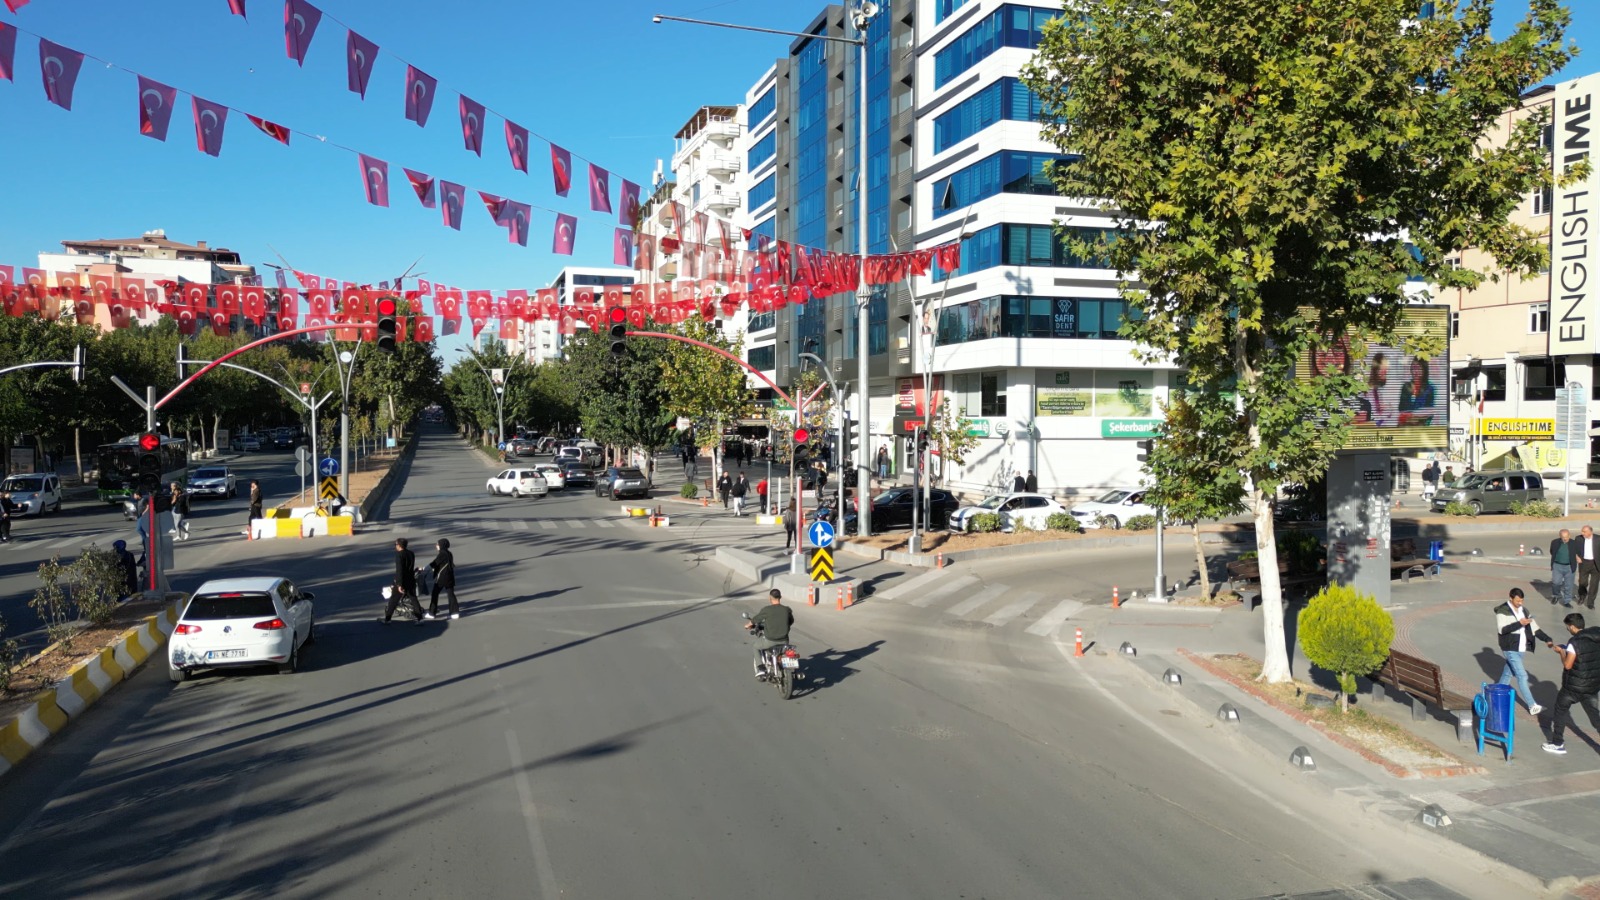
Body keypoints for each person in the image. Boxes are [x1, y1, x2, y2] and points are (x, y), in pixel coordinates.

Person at [1543, 612, 1600, 755]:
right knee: (1595, 718)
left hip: (1573, 687)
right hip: (1592, 685)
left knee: (1560, 710)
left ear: (1573, 627)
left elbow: (1568, 665)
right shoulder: (1596, 637)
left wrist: (1562, 652)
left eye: (1568, 627)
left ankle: (1557, 743)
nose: (1568, 630)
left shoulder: (1574, 643)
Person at [1495, 588, 1544, 717]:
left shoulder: (1523, 610)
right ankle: (1532, 705)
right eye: (1518, 600)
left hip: (1521, 648)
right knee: (1522, 676)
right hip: (1510, 648)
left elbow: (1534, 627)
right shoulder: (1502, 611)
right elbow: (1502, 629)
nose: (1520, 603)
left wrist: (1547, 639)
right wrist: (1519, 623)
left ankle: (1496, 697)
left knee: (1507, 674)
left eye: (1522, 600)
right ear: (1511, 598)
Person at [745, 588, 794, 678]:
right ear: (780, 597)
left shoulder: (767, 610)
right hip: (784, 641)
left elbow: (756, 619)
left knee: (755, 646)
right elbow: (791, 621)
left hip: (770, 640)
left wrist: (748, 625)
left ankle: (761, 668)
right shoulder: (787, 610)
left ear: (770, 598)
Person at [382, 537, 425, 625]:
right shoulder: (411, 553)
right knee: (413, 599)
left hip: (402, 581)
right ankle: (420, 618)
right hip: (410, 579)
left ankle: (388, 619)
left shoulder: (399, 555)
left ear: (399, 546)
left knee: (393, 600)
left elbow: (400, 570)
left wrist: (399, 584)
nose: (395, 546)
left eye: (396, 544)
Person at [1397, 356, 1437, 425]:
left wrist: (1414, 416)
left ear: (1424, 370)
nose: (1415, 371)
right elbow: (1401, 409)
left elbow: (1430, 411)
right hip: (1405, 426)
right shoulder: (1406, 387)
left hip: (1421, 427)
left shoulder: (1429, 388)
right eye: (1413, 368)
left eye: (1418, 368)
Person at [426, 538, 459, 620]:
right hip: (450, 576)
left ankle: (432, 613)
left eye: (437, 544)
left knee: (435, 594)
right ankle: (454, 613)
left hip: (442, 577)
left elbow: (435, 563)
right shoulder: (449, 553)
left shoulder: (442, 554)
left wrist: (424, 569)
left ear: (441, 545)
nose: (436, 546)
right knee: (451, 594)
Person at [1551, 529, 1579, 608]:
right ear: (1560, 536)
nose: (1565, 539)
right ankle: (1555, 596)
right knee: (1556, 582)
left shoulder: (1574, 543)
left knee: (1569, 585)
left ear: (1569, 536)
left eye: (1566, 537)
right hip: (1557, 566)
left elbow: (1578, 552)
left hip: (1569, 566)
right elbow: (1552, 551)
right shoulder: (1554, 542)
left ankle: (1567, 601)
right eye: (1563, 537)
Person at [1579, 525, 1600, 610]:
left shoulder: (1598, 539)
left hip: (1596, 564)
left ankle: (1590, 602)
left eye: (1584, 531)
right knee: (1583, 582)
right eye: (1582, 531)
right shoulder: (1579, 539)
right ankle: (1582, 596)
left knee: (1594, 584)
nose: (1582, 533)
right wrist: (1577, 556)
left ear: (1590, 532)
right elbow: (1575, 549)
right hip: (1584, 563)